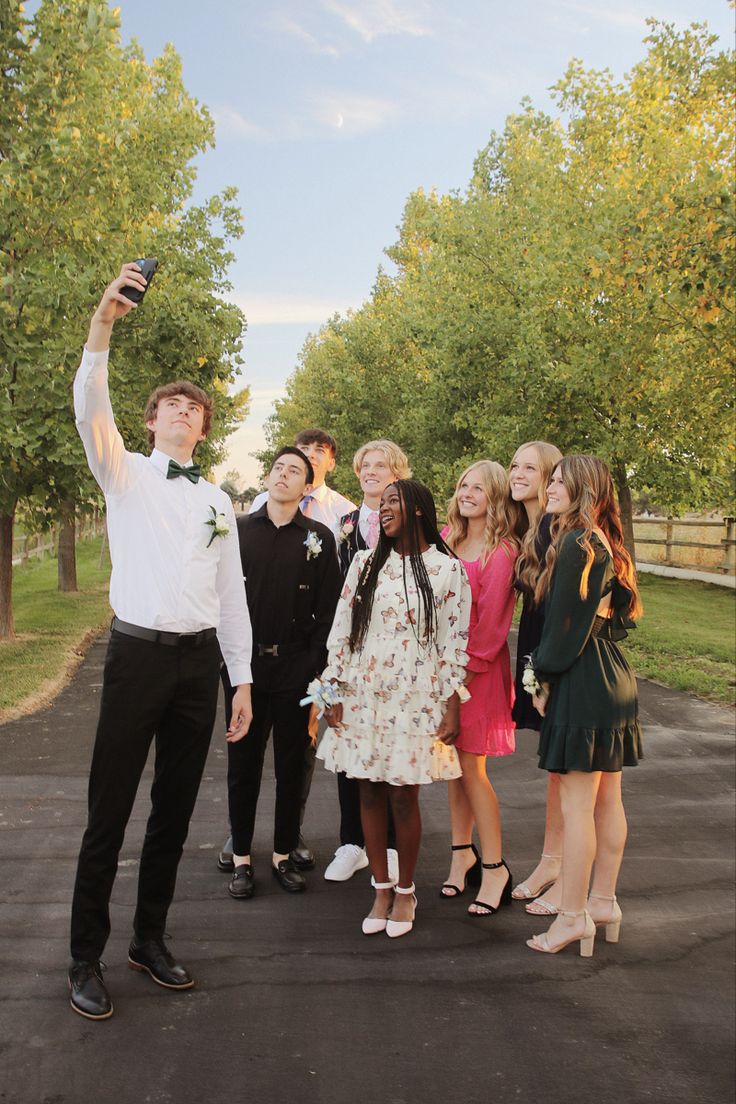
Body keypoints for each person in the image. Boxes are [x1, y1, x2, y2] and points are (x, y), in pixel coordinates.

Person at [68, 263, 253, 1021]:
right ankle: (85, 956)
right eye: (169, 404)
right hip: (137, 656)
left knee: (174, 811)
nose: (181, 410)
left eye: (193, 406)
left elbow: (231, 594)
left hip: (197, 662)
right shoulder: (126, 477)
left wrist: (238, 678)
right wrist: (103, 324)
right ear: (150, 422)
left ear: (205, 427)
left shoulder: (217, 500)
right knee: (109, 810)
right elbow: (88, 409)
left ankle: (150, 937)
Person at [317, 480, 471, 938]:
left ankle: (406, 891)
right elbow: (341, 632)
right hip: (364, 692)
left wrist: (452, 704)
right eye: (380, 503)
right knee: (367, 790)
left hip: (416, 697)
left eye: (392, 501)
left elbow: (453, 644)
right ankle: (380, 889)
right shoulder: (365, 564)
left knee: (404, 794)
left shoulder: (447, 571)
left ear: (418, 510)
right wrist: (332, 691)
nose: (382, 509)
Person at [219, 428, 357, 873]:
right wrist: (230, 662)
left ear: (306, 486)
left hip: (297, 670)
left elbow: (328, 612)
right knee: (243, 764)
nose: (283, 475)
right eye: (278, 467)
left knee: (292, 766)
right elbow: (222, 600)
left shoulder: (320, 537)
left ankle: (282, 852)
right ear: (268, 476)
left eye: (294, 470)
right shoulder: (238, 533)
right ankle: (240, 855)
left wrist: (314, 666)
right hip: (245, 669)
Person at [524, 455, 642, 956]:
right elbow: (614, 621)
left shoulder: (575, 541)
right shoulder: (607, 543)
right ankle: (602, 903)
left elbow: (564, 627)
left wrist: (540, 675)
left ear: (584, 490)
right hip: (614, 674)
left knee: (577, 809)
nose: (550, 487)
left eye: (559, 482)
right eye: (549, 479)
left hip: (582, 677)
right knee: (607, 800)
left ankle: (572, 917)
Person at [324, 439, 412, 883]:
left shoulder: (414, 527)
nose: (372, 471)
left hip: (396, 657)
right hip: (354, 656)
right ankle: (352, 842)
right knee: (349, 744)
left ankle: (394, 846)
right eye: (366, 465)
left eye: (382, 465)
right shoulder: (342, 526)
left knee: (394, 747)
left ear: (397, 473)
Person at [439, 461, 518, 916]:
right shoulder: (447, 540)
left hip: (478, 675)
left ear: (496, 497)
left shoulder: (501, 551)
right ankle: (460, 854)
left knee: (473, 769)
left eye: (479, 488)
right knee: (452, 765)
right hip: (445, 673)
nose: (467, 493)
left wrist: (457, 682)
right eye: (463, 484)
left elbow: (490, 629)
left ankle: (494, 868)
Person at [506, 441, 566, 914]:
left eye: (531, 467)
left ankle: (556, 864)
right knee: (555, 767)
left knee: (564, 769)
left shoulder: (551, 527)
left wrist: (541, 673)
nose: (518, 472)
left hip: (552, 658)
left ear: (551, 477)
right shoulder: (529, 527)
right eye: (514, 465)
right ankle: (553, 861)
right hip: (536, 650)